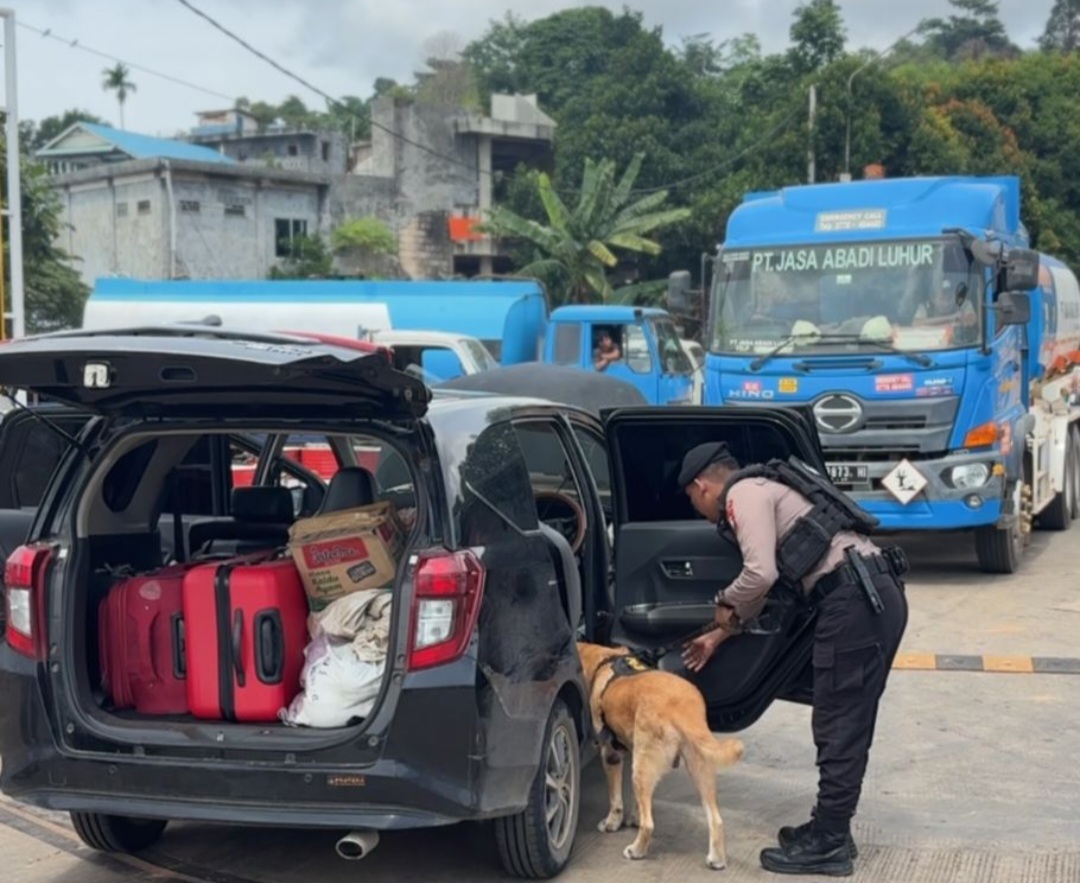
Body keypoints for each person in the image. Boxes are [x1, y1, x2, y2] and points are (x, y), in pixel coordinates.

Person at [676, 442, 908, 877]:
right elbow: (774, 584)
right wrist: (718, 636)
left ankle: (830, 844)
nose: (697, 509)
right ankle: (831, 827)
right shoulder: (767, 487)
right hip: (867, 594)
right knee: (842, 717)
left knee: (840, 723)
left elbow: (760, 574)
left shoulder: (743, 495)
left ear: (702, 485)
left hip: (855, 600)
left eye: (692, 499)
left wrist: (723, 602)